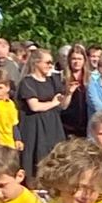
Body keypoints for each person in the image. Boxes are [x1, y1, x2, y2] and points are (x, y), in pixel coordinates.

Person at [16, 47, 64, 181]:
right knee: (36, 159)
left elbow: (62, 103)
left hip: (52, 125)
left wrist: (69, 92)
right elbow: (34, 106)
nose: (50, 65)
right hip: (35, 128)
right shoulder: (27, 82)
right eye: (47, 62)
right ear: (36, 63)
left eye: (51, 62)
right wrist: (53, 103)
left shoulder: (53, 81)